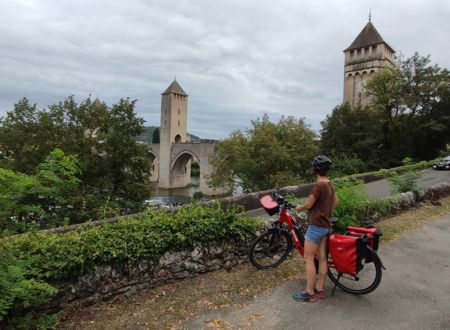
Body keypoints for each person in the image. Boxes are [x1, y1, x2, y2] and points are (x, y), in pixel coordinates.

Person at [292, 155, 339, 302]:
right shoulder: (329, 183)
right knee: (323, 258)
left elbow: (309, 204)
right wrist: (325, 211)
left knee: (308, 258)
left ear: (316, 169)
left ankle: (309, 291)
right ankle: (320, 288)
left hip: (316, 227)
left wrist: (300, 207)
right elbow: (336, 201)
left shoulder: (319, 185)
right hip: (326, 225)